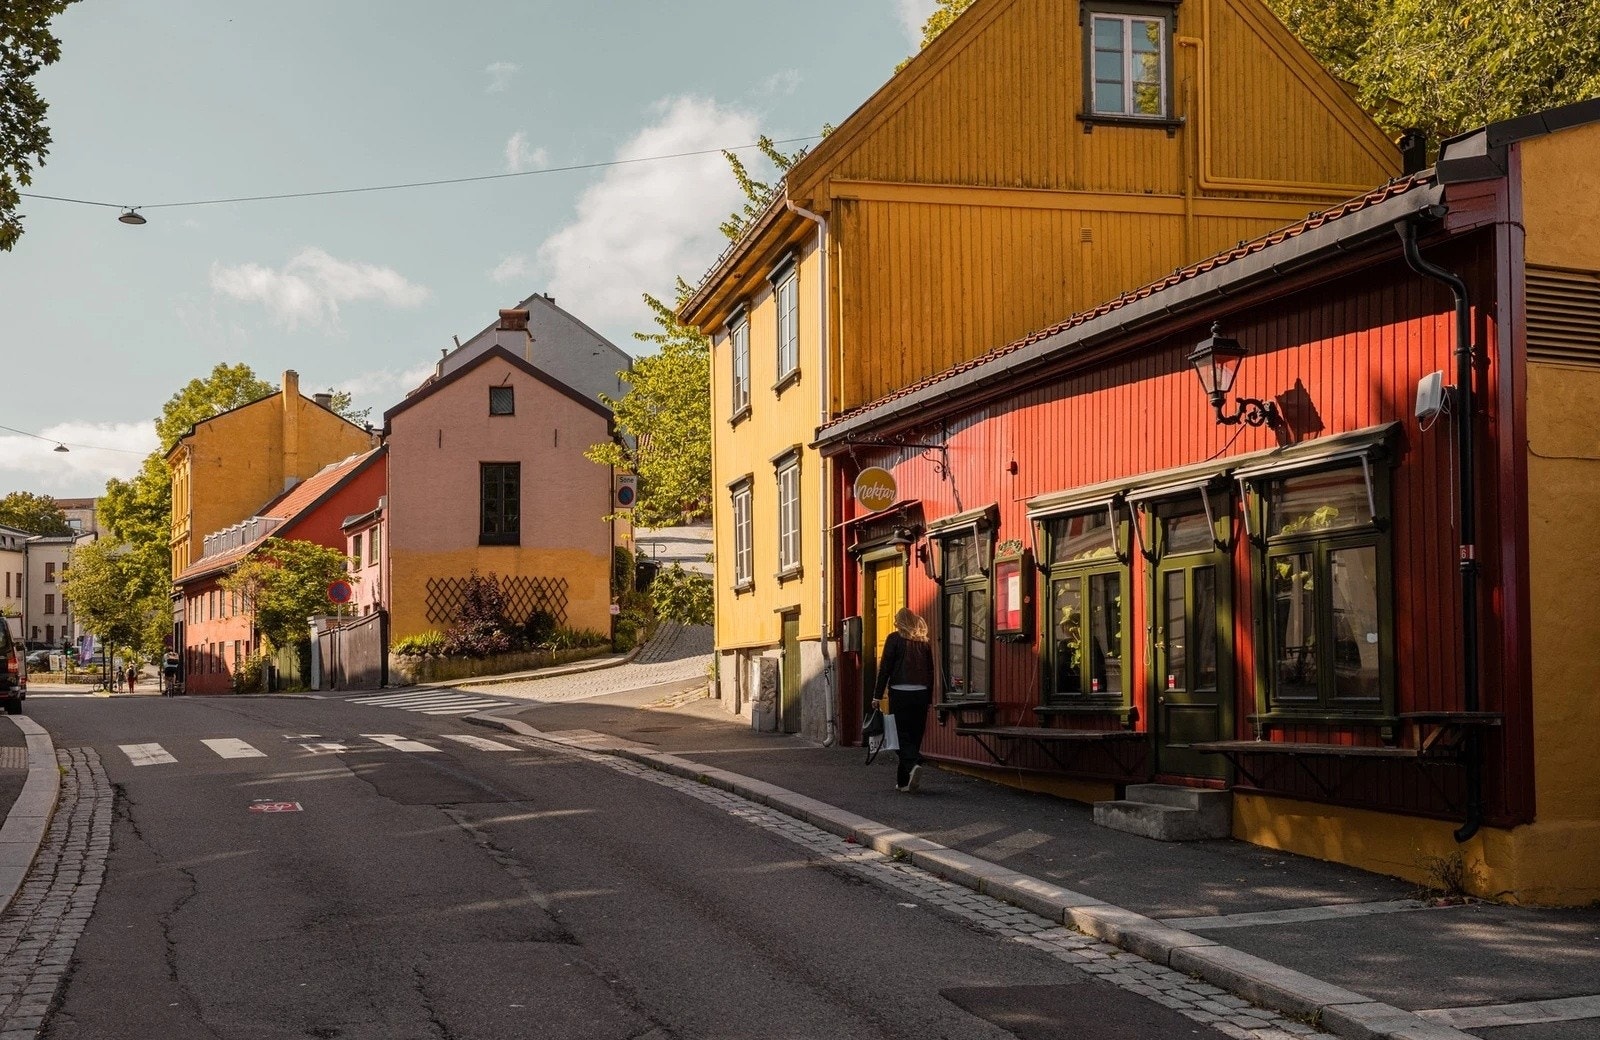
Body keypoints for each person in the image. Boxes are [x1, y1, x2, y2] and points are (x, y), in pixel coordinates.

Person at [872, 607, 935, 793]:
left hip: (900, 693)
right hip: (921, 694)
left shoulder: (894, 639)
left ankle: (914, 763)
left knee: (899, 736)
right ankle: (903, 782)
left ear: (899, 621)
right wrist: (929, 698)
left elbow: (885, 669)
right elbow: (930, 671)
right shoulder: (923, 642)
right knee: (915, 735)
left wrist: (877, 695)